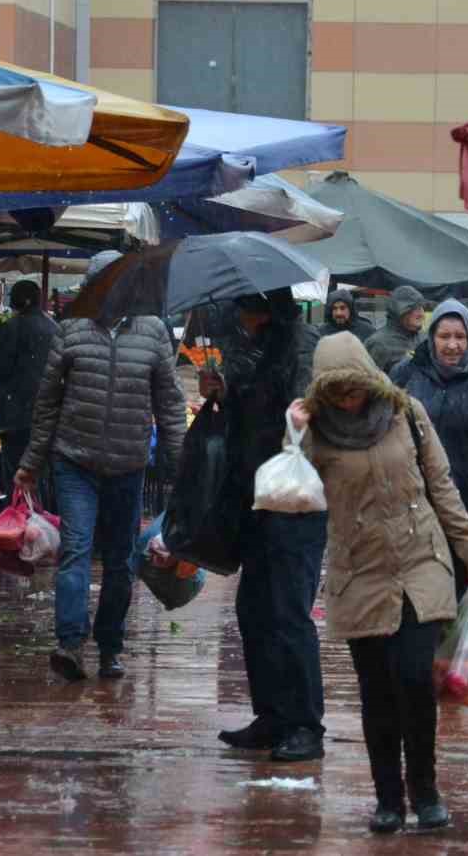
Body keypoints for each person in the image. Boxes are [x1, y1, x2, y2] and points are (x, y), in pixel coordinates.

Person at [293, 333, 468, 835]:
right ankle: (388, 797)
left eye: (354, 387)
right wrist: (292, 434)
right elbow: (288, 489)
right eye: (336, 392)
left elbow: (442, 486)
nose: (349, 399)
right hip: (358, 568)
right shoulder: (316, 432)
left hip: (419, 561)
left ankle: (424, 791)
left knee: (413, 678)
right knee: (377, 691)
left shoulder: (406, 414)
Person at [14, 250, 187, 683]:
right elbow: (47, 403)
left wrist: (177, 465)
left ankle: (110, 646)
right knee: (75, 550)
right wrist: (31, 462)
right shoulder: (70, 331)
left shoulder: (153, 333)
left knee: (120, 561)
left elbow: (169, 404)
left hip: (128, 465)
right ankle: (70, 643)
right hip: (75, 461)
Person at [202, 289, 326, 763]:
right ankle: (271, 714)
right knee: (253, 609)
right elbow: (246, 419)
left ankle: (305, 724)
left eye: (244, 311)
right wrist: (223, 394)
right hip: (255, 498)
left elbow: (309, 416)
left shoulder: (302, 347)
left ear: (263, 311)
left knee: (289, 613)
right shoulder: (250, 352)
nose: (239, 320)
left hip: (294, 501)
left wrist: (294, 417)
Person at [390, 300, 468, 603]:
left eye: (459, 337)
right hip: (418, 497)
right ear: (431, 337)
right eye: (444, 336)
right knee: (423, 582)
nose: (452, 345)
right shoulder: (407, 374)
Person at [0, 279, 58, 487]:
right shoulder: (55, 328)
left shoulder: (13, 327)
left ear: (21, 300)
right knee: (41, 479)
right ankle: (38, 517)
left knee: (16, 477)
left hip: (16, 417)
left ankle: (19, 517)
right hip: (48, 417)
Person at [364, 286, 426, 375]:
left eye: (421, 307)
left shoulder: (424, 338)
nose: (421, 314)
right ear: (400, 310)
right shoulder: (379, 343)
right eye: (415, 308)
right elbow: (366, 383)